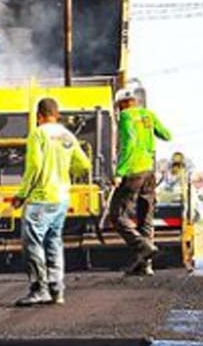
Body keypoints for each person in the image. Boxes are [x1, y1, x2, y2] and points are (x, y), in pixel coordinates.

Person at [14, 98, 92, 307]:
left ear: (38, 116)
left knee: (33, 243)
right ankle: (57, 289)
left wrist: (22, 194)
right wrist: (66, 173)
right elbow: (84, 164)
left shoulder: (38, 134)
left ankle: (40, 289)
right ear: (57, 115)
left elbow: (35, 167)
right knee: (53, 241)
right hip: (61, 198)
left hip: (41, 197)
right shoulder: (68, 136)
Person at [110, 88, 172, 276]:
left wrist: (119, 172)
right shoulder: (148, 114)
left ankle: (144, 246)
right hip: (149, 170)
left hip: (133, 171)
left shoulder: (126, 118)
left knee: (117, 215)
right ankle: (145, 266)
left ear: (122, 104)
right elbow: (167, 135)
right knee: (146, 216)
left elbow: (129, 145)